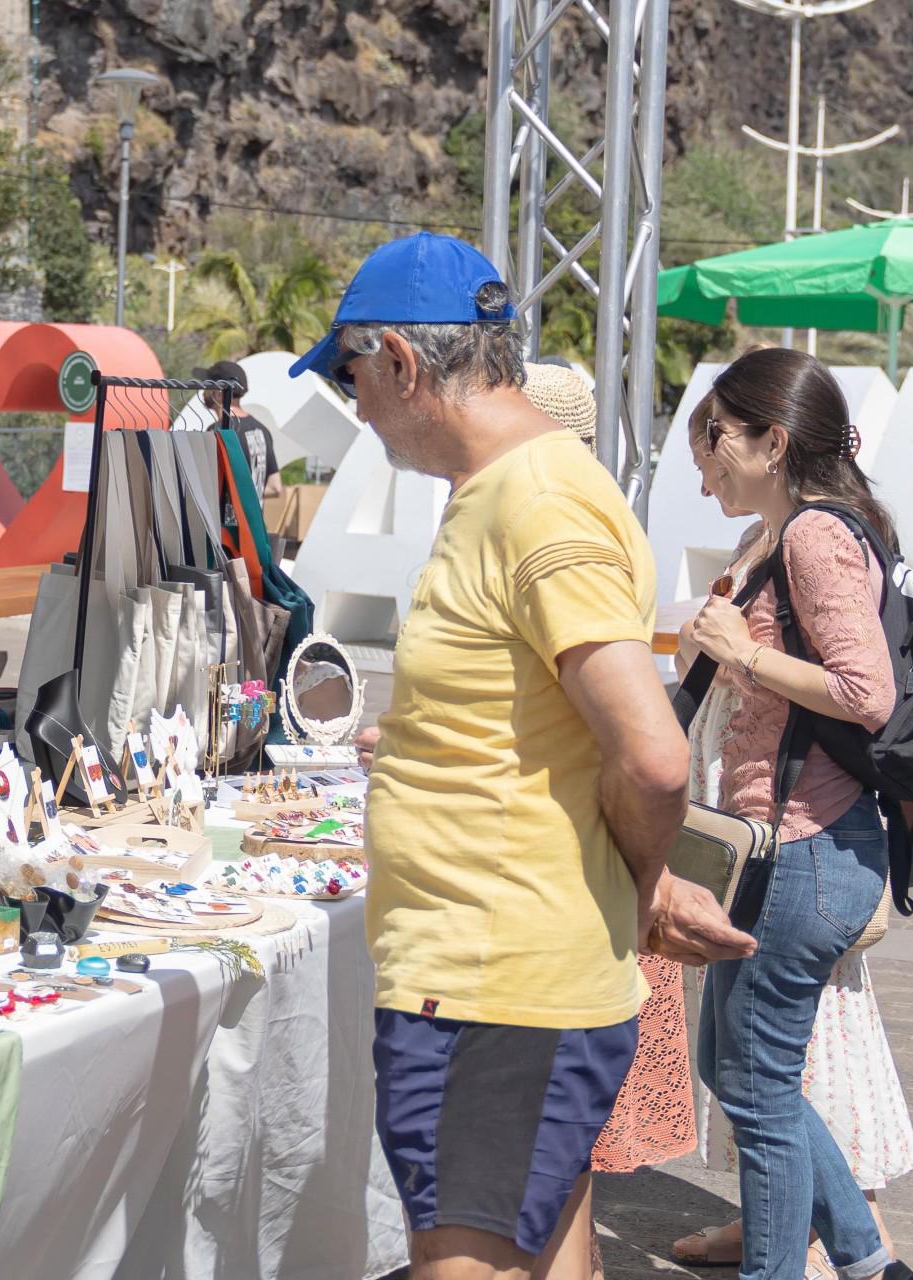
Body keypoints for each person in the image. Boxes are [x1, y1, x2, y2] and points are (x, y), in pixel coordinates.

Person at [289, 232, 752, 1280]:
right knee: (546, 1251)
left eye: (351, 374)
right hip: (506, 975)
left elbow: (653, 754)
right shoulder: (510, 491)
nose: (354, 404)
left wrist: (641, 883)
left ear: (403, 364)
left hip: (495, 982)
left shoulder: (536, 498)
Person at [679, 348, 913, 1280]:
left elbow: (867, 693)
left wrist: (743, 653)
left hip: (809, 848)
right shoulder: (777, 538)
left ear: (772, 442)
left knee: (762, 1090)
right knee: (731, 1069)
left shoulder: (816, 536)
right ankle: (865, 1257)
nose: (703, 468)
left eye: (714, 443)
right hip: (773, 849)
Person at [195, 359, 283, 503]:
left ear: (218, 393)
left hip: (226, 524)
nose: (204, 392)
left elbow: (205, 486)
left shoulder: (218, 431)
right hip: (254, 524)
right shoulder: (262, 430)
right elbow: (275, 487)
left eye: (207, 387)